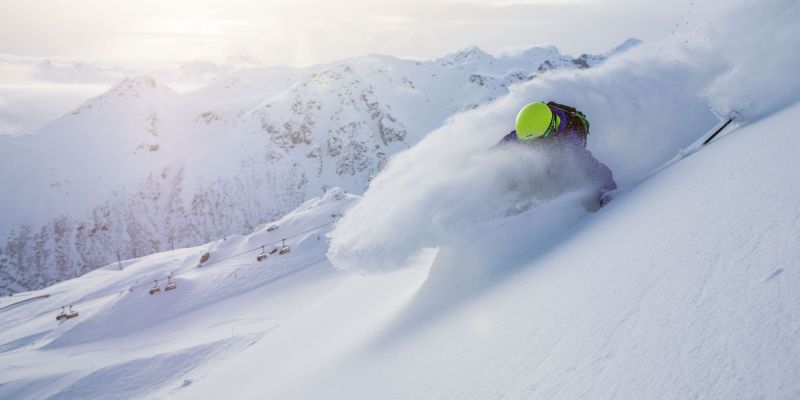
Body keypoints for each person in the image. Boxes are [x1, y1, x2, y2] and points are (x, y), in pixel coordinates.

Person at [496, 101, 616, 210]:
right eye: (527, 142)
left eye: (535, 142)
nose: (531, 146)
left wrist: (608, 194)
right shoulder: (529, 130)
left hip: (563, 152)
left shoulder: (570, 144)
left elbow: (594, 169)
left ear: (548, 133)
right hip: (546, 130)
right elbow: (506, 145)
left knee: (556, 172)